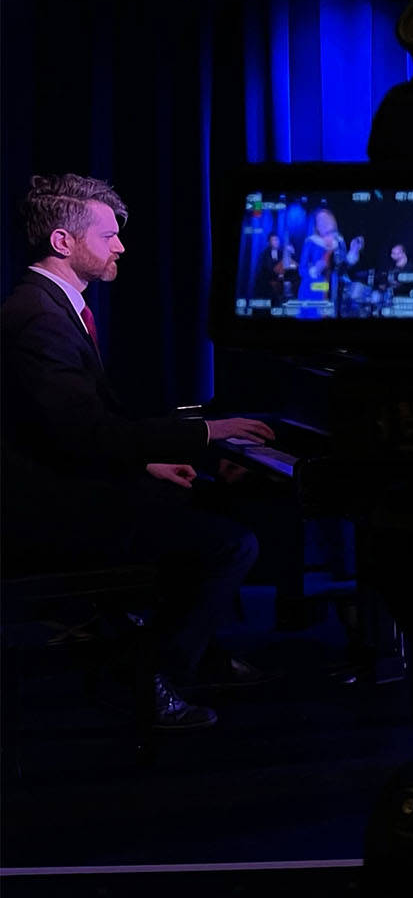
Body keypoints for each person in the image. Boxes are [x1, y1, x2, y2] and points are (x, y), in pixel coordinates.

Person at [1, 174, 279, 730]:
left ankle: (198, 651)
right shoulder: (38, 319)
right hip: (48, 510)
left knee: (208, 501)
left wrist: (150, 459)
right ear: (64, 242)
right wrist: (209, 431)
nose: (121, 246)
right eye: (108, 236)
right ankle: (141, 677)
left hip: (64, 480)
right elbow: (86, 435)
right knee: (231, 545)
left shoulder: (49, 305)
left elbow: (75, 426)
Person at [297, 206, 364, 305]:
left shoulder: (339, 241)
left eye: (326, 220)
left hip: (333, 290)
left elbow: (342, 268)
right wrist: (315, 269)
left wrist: (353, 251)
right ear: (317, 226)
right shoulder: (311, 241)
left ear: (333, 222)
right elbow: (301, 270)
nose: (323, 223)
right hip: (312, 291)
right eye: (320, 221)